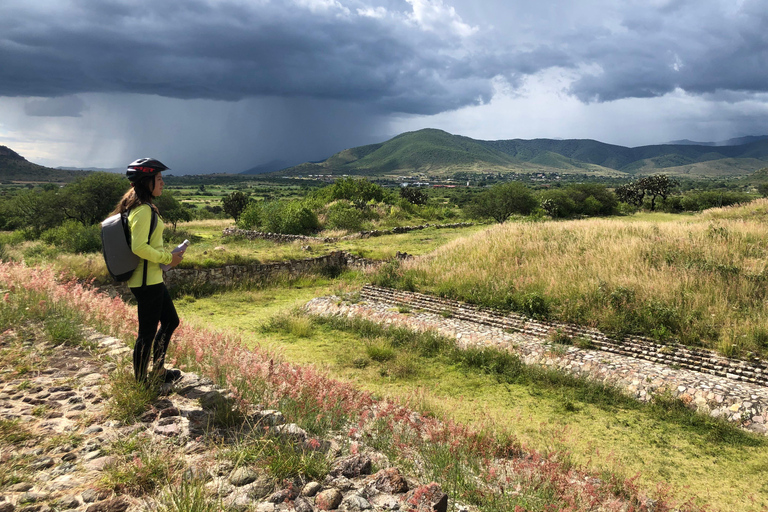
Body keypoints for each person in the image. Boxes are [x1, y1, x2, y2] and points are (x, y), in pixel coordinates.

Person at [111, 158, 184, 384]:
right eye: (159, 179)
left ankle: (158, 371)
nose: (162, 183)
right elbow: (139, 247)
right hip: (146, 282)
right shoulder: (143, 210)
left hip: (151, 279)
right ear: (147, 181)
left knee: (171, 321)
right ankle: (141, 383)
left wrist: (167, 258)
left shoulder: (143, 206)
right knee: (147, 334)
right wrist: (168, 258)